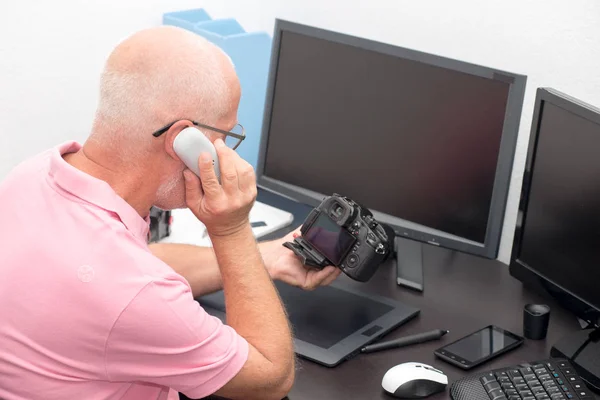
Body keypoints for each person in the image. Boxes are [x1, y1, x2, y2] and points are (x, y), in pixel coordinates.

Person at [0, 26, 341, 400]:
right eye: (224, 136)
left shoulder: (32, 176)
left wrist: (264, 259)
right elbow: (270, 377)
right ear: (183, 141)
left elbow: (138, 265)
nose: (227, 151)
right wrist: (232, 231)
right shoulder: (133, 293)